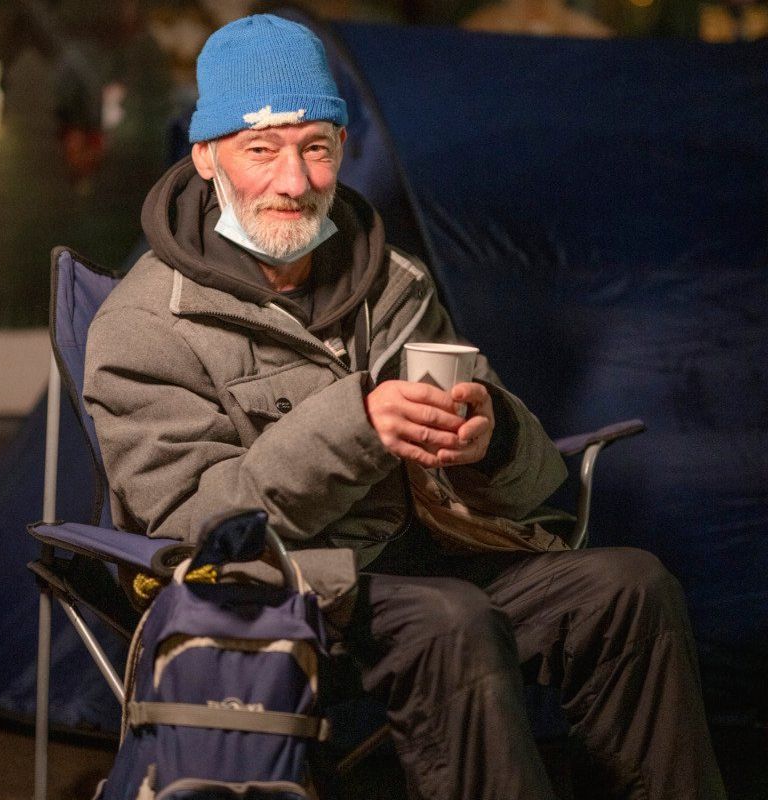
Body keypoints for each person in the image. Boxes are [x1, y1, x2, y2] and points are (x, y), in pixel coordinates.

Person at [83, 15, 726, 800]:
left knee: (632, 586)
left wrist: (491, 439)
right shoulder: (146, 324)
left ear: (342, 150)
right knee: (452, 618)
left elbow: (524, 496)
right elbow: (193, 523)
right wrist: (357, 424)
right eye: (262, 148)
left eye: (316, 146)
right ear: (206, 155)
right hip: (283, 589)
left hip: (425, 560)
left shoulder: (393, 283)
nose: (295, 180)